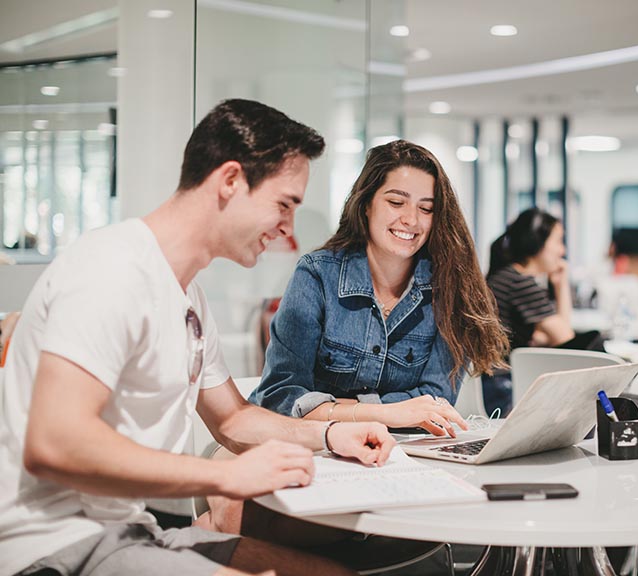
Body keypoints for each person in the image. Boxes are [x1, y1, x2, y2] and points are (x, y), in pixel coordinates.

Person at [0, 99, 395, 576]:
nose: (289, 228)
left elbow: (232, 420)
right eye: (283, 204)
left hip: (131, 531)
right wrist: (225, 474)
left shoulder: (188, 295)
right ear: (230, 180)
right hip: (53, 546)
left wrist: (331, 435)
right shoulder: (110, 270)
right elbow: (54, 444)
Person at [200, 139, 509, 539]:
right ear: (366, 204)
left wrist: (341, 410)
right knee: (242, 515)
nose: (411, 220)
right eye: (396, 202)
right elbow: (281, 395)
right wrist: (390, 413)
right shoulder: (317, 275)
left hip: (389, 457)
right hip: (298, 445)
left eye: (426, 208)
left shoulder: (450, 288)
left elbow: (433, 401)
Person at [483, 207, 604, 414]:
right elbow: (566, 339)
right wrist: (561, 284)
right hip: (503, 392)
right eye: (558, 241)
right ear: (536, 243)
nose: (562, 251)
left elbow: (542, 337)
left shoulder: (504, 276)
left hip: (491, 384)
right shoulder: (519, 283)